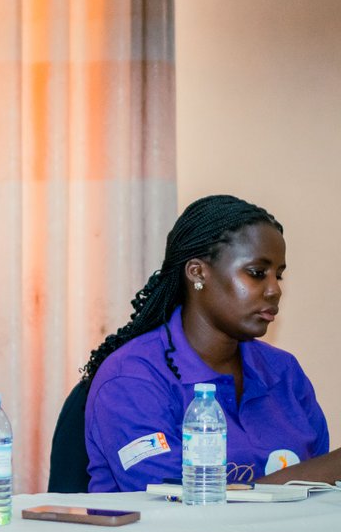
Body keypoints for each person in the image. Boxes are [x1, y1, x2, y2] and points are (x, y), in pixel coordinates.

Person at [83, 194, 335, 492]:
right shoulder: (131, 378)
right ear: (197, 272)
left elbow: (323, 497)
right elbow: (175, 500)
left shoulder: (284, 372)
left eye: (278, 275)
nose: (274, 290)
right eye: (257, 273)